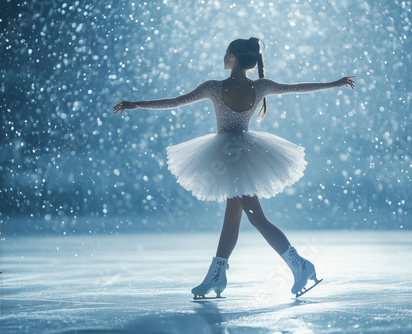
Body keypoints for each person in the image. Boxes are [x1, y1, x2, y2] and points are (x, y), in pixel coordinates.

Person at [113, 37, 355, 299]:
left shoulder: (214, 87)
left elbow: (175, 101)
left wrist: (137, 104)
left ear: (232, 56)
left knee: (256, 218)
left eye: (225, 53)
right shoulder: (260, 86)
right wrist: (334, 83)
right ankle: (217, 274)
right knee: (232, 219)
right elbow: (298, 87)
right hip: (241, 157)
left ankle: (300, 266)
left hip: (232, 159)